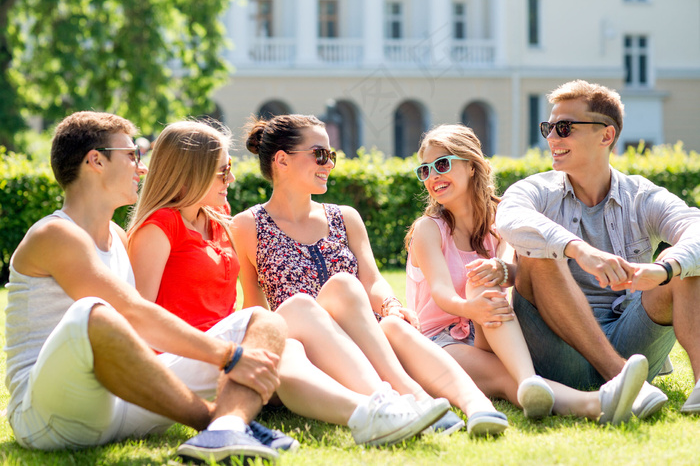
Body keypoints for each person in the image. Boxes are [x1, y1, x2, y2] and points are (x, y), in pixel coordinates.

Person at [126, 119, 444, 447]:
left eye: (230, 168)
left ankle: (378, 408)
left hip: (229, 353)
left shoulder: (218, 222)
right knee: (298, 309)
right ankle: (384, 403)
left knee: (289, 346)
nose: (231, 178)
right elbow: (141, 321)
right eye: (222, 171)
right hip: (192, 358)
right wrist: (224, 353)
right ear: (189, 171)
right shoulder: (159, 227)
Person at [3, 111, 288, 465]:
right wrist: (229, 356)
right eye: (132, 154)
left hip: (120, 400)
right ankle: (211, 422)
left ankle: (226, 428)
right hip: (49, 414)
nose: (142, 167)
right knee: (96, 314)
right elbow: (133, 314)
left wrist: (234, 347)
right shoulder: (55, 233)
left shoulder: (119, 239)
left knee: (263, 322)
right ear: (96, 160)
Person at [232, 114, 512, 436]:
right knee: (328, 292)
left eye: (331, 156)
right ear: (282, 160)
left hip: (361, 335)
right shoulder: (246, 225)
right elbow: (255, 308)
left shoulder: (344, 217)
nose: (329, 164)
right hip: (306, 345)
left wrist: (392, 306)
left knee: (386, 318)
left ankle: (477, 406)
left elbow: (373, 281)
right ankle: (410, 396)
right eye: (320, 155)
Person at [405, 123, 649, 425]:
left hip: (492, 329)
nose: (433, 176)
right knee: (505, 379)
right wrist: (471, 309)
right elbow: (441, 292)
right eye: (425, 170)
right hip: (440, 341)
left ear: (470, 166)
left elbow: (508, 265)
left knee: (482, 277)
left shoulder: (503, 216)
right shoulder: (428, 229)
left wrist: (491, 282)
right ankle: (593, 401)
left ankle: (532, 382)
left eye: (442, 164)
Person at [495, 79, 700, 417]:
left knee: (684, 262)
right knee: (538, 256)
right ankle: (620, 377)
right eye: (549, 128)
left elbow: (694, 227)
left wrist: (664, 270)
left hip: (633, 340)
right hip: (561, 351)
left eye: (564, 127)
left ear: (606, 135)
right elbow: (509, 217)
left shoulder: (641, 196)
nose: (552, 139)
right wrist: (578, 249)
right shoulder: (535, 190)